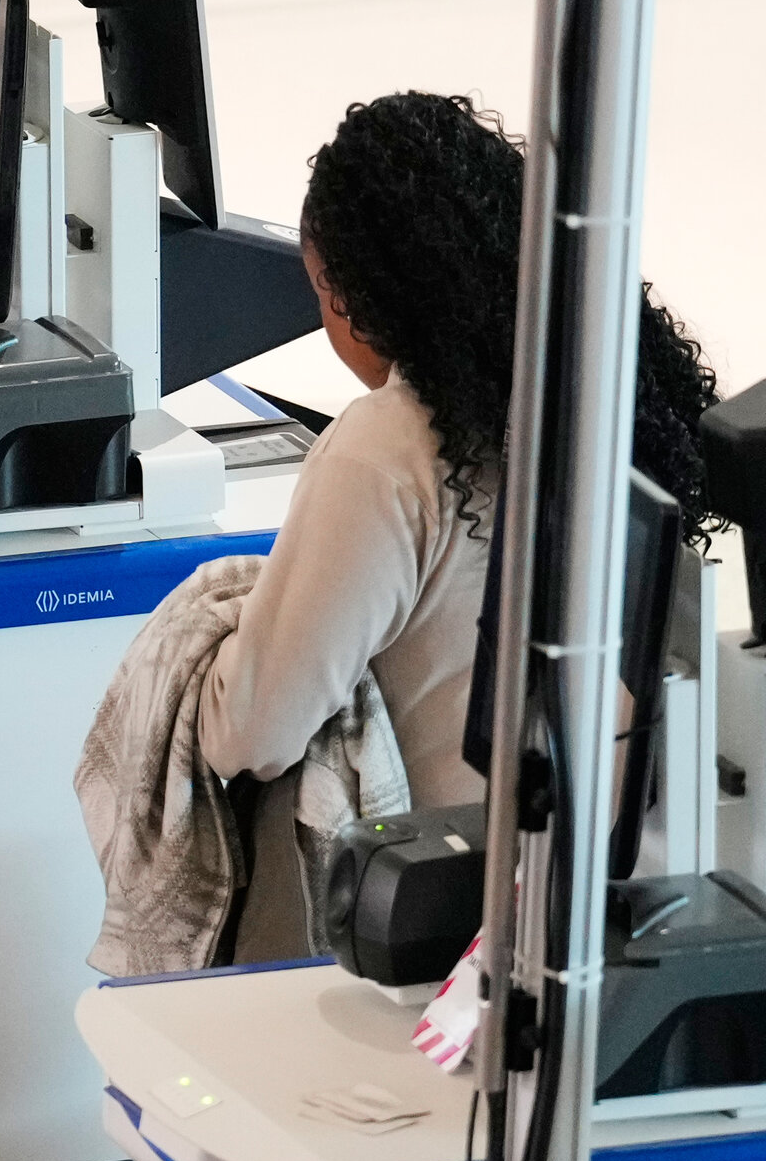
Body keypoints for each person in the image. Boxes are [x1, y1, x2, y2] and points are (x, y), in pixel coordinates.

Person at [198, 91, 720, 808]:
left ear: (358, 301)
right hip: (578, 858)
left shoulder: (381, 453)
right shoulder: (594, 404)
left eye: (321, 292)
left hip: (441, 884)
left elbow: (251, 737)